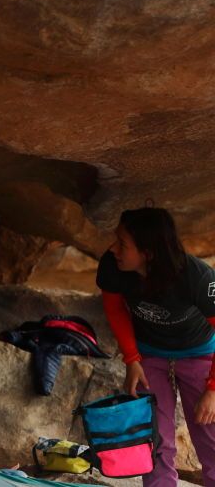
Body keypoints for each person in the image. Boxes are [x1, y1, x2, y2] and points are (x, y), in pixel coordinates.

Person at [96, 206, 215, 486]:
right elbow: (115, 310)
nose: (113, 248)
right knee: (156, 436)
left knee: (210, 435)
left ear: (148, 252)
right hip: (150, 352)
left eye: (122, 244)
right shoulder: (113, 267)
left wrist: (212, 389)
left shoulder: (196, 276)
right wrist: (132, 359)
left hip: (199, 352)